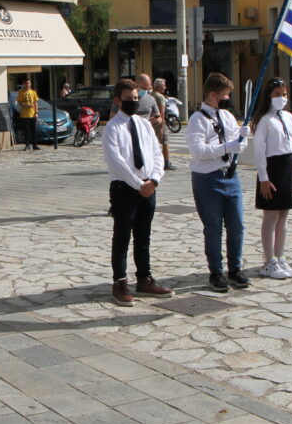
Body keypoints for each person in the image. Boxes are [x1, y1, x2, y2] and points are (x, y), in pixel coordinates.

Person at [103, 78, 173, 306]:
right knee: (122, 235)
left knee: (143, 236)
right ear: (117, 101)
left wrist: (153, 180)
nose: (134, 102)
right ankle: (120, 282)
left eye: (136, 98)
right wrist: (138, 184)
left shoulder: (143, 125)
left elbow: (156, 153)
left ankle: (144, 278)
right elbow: (117, 162)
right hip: (125, 187)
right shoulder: (112, 128)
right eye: (129, 99)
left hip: (148, 186)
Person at [187, 73, 251, 293]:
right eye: (225, 95)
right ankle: (216, 271)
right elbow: (199, 152)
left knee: (237, 226)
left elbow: (237, 146)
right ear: (213, 94)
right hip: (208, 179)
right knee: (213, 228)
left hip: (230, 176)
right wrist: (228, 147)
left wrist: (242, 138)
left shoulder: (227, 116)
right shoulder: (198, 119)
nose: (228, 98)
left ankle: (235, 268)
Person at [251, 78, 292, 280]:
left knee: (283, 217)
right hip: (273, 168)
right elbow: (259, 151)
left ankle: (280, 257)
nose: (282, 98)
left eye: (284, 94)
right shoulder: (264, 120)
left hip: (288, 167)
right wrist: (263, 177)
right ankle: (268, 260)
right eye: (277, 94)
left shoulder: (289, 117)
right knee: (271, 217)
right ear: (269, 96)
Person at [150, 78, 174, 170]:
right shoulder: (160, 97)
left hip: (151, 122)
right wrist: (161, 127)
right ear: (159, 86)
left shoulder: (150, 95)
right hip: (158, 122)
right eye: (164, 85)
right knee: (165, 143)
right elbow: (161, 112)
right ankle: (166, 163)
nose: (165, 87)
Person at [16, 79, 40, 151]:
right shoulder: (21, 92)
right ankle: (27, 144)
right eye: (26, 83)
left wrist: (36, 112)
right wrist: (26, 105)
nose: (27, 85)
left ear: (30, 84)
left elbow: (35, 103)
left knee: (34, 130)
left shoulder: (33, 92)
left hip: (32, 114)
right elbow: (19, 103)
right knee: (26, 131)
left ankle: (35, 145)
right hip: (24, 115)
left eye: (29, 83)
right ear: (24, 84)